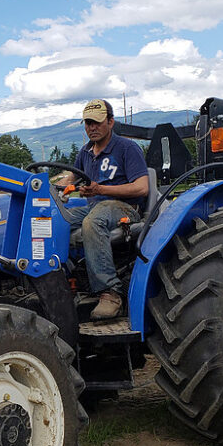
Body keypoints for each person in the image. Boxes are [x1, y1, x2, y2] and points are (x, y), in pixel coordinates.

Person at [58, 99, 149, 320]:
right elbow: (71, 177)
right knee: (55, 220)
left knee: (93, 221)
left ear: (110, 122)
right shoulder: (86, 152)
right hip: (95, 206)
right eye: (88, 123)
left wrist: (102, 189)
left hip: (125, 208)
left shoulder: (127, 148)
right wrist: (55, 187)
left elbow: (142, 187)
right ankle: (60, 281)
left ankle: (110, 293)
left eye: (97, 122)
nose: (92, 128)